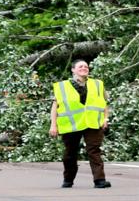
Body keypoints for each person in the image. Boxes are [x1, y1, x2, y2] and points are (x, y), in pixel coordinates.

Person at [48, 59, 112, 188]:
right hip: (71, 125)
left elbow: (104, 103)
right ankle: (68, 179)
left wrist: (105, 119)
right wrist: (53, 125)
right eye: (80, 66)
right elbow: (55, 107)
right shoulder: (62, 86)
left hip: (92, 123)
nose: (84, 68)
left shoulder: (98, 84)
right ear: (73, 70)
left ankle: (99, 180)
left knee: (94, 150)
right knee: (70, 153)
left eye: (86, 66)